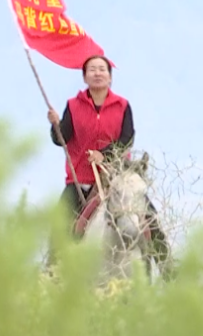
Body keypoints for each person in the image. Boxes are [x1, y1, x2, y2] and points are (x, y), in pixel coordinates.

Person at [47, 55, 173, 276]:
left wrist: (104, 155)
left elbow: (127, 138)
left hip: (117, 178)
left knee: (151, 220)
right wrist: (55, 125)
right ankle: (52, 275)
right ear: (84, 77)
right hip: (82, 180)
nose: (97, 73)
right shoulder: (73, 106)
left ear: (110, 77)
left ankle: (168, 269)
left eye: (102, 69)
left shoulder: (122, 106)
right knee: (60, 225)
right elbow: (61, 139)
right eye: (92, 69)